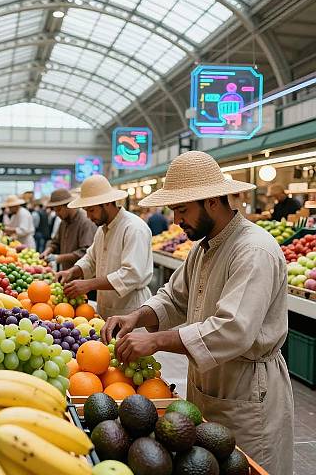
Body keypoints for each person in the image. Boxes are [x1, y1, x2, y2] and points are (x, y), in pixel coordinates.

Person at [101, 151, 293, 475]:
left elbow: (233, 329)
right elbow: (174, 299)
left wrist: (156, 342)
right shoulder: (203, 248)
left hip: (247, 390)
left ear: (213, 202)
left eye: (182, 209)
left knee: (243, 467)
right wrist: (137, 316)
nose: (177, 220)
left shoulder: (253, 250)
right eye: (174, 210)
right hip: (207, 384)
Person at [57, 175, 154, 319]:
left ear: (107, 203)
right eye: (86, 211)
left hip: (131, 311)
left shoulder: (134, 228)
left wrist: (88, 284)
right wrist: (72, 271)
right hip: (105, 309)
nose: (89, 216)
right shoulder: (101, 231)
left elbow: (131, 274)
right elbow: (90, 259)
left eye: (91, 210)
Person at [41, 188, 97, 271]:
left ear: (68, 205)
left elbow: (85, 252)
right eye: (55, 210)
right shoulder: (63, 222)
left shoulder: (85, 222)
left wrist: (59, 258)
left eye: (59, 210)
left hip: (82, 275)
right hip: (66, 271)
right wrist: (47, 251)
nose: (57, 214)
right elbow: (55, 242)